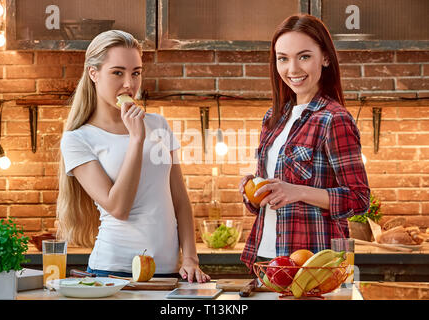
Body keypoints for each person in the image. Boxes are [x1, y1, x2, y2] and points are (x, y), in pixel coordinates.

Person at [57, 30, 210, 283]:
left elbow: (180, 199)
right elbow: (118, 207)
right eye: (118, 72)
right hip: (113, 271)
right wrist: (136, 139)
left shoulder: (159, 124)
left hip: (168, 271)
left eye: (135, 73)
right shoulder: (78, 139)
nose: (129, 84)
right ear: (93, 73)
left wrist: (190, 258)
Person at [238, 14, 370, 273]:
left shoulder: (334, 119)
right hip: (264, 260)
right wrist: (253, 192)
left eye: (304, 56)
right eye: (283, 58)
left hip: (311, 266)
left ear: (326, 58)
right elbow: (272, 198)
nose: (292, 69)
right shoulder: (273, 117)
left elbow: (359, 198)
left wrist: (298, 191)